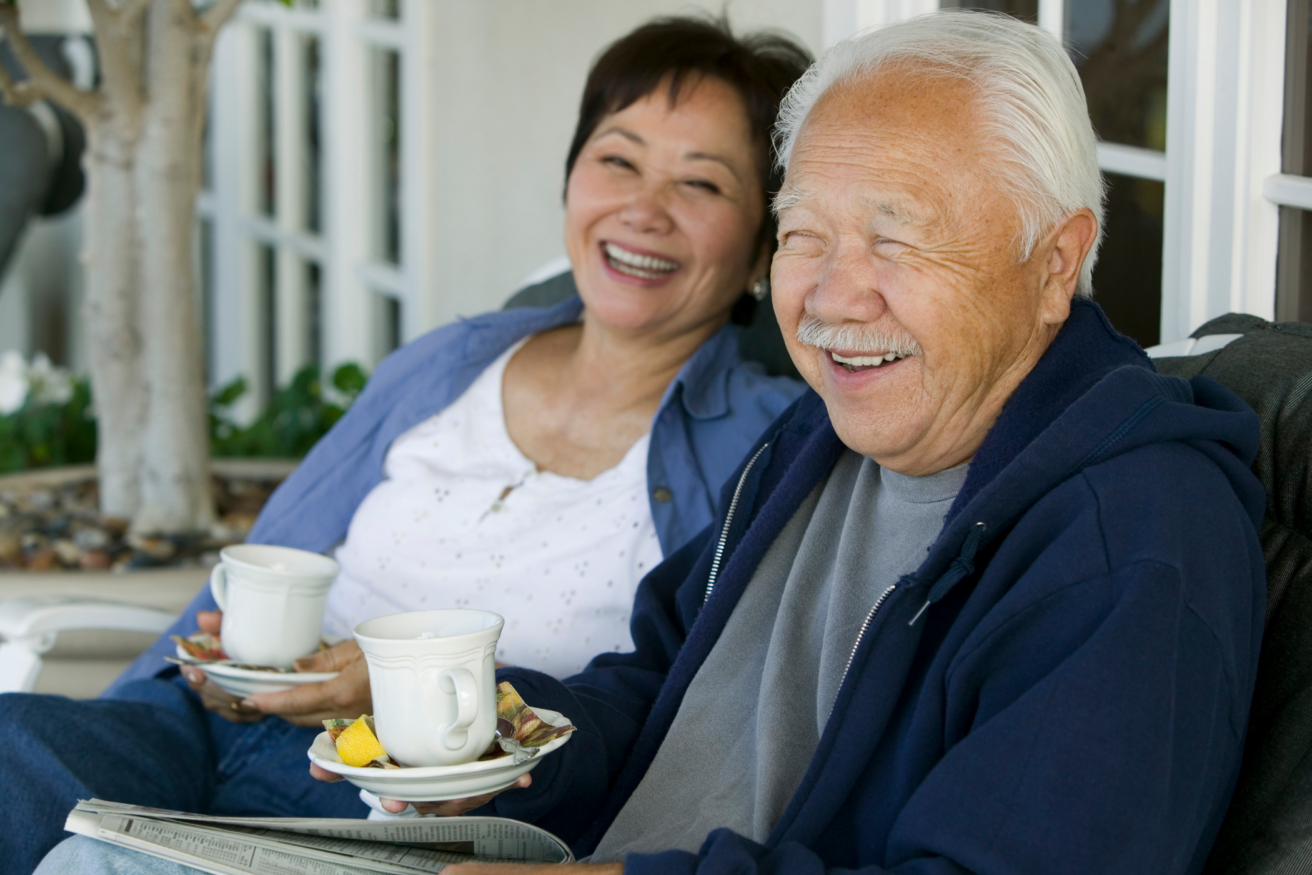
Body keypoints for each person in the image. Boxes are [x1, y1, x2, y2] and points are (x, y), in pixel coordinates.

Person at [341, 10, 1261, 874]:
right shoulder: (824, 432)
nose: (831, 298)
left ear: (1055, 261)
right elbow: (660, 683)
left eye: (897, 240)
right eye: (803, 234)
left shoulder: (1134, 538)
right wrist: (494, 746)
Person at [2, 16, 812, 874]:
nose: (644, 209)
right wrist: (225, 667)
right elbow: (272, 552)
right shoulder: (455, 360)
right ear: (574, 175)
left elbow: (686, 720)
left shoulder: (764, 449)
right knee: (17, 751)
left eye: (703, 184)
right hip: (211, 730)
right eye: (618, 159)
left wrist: (396, 690)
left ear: (765, 244)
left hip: (401, 808)